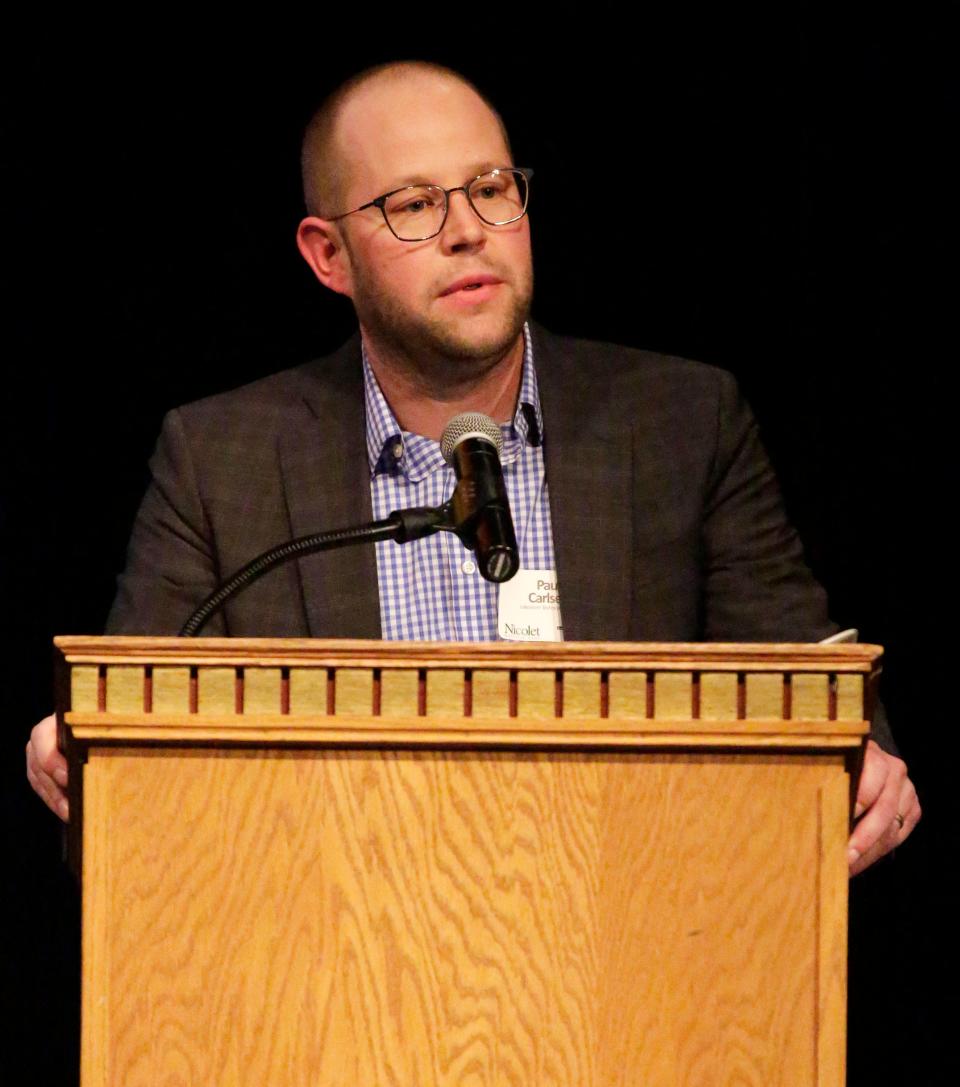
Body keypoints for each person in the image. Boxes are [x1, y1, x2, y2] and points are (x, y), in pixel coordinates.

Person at [26, 60, 919, 874]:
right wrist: (86, 747)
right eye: (413, 205)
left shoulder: (682, 424)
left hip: (631, 964)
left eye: (490, 189)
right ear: (326, 255)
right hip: (326, 983)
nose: (467, 232)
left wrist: (862, 759)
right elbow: (134, 739)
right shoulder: (222, 462)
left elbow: (808, 685)